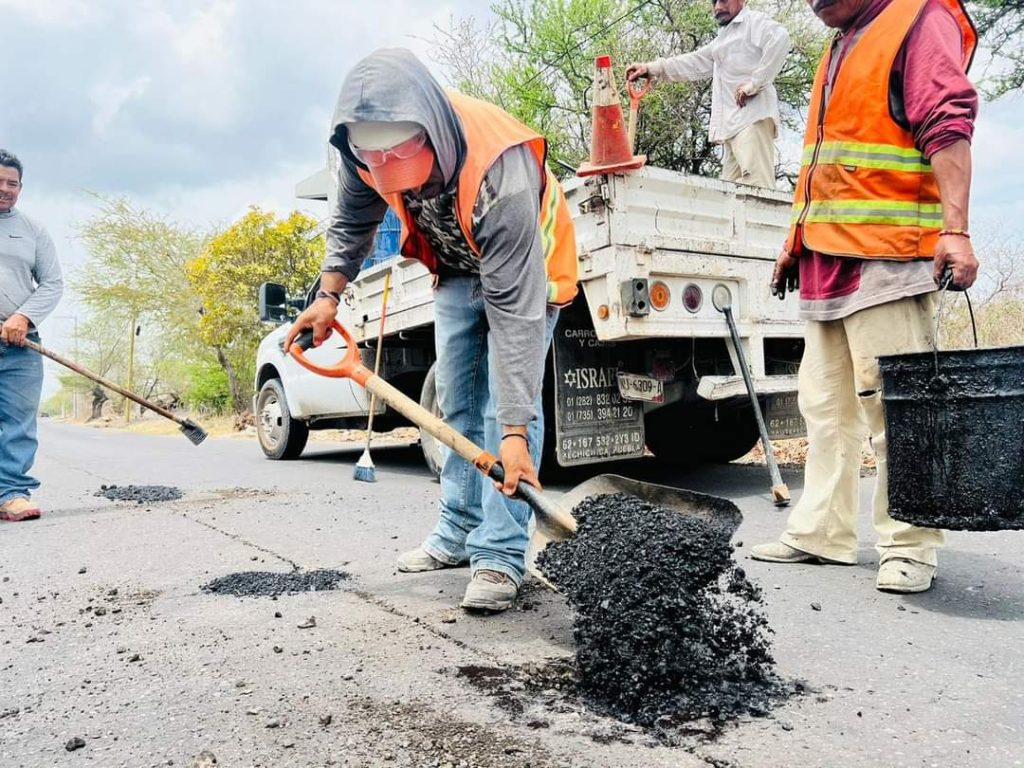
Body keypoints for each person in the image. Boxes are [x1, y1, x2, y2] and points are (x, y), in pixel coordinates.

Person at [285, 49, 578, 613]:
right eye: (372, 161)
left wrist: (515, 434)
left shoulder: (500, 166)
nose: (384, 170)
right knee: (457, 405)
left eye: (399, 156)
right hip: (455, 268)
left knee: (501, 413)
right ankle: (458, 530)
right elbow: (352, 221)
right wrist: (328, 295)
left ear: (429, 129)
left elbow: (516, 311)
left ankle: (499, 553)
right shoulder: (362, 149)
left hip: (526, 266)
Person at [751, 0, 979, 594]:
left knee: (896, 408)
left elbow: (948, 126)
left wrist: (955, 230)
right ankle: (823, 532)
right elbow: (825, 165)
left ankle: (909, 543)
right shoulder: (840, 43)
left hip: (889, 254)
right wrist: (792, 243)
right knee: (826, 410)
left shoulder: (916, 19)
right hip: (826, 258)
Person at [625, 0, 791, 189]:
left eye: (724, 0)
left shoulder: (752, 22)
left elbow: (780, 38)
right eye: (714, 2)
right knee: (730, 195)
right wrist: (650, 68)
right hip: (732, 128)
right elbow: (692, 62)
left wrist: (755, 84)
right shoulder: (723, 39)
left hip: (752, 119)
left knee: (758, 190)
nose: (718, 7)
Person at [0, 149, 64, 522]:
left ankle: (11, 492)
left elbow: (53, 283)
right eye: (0, 182)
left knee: (19, 421)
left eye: (12, 183)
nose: (5, 190)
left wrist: (23, 317)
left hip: (20, 342)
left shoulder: (32, 230)